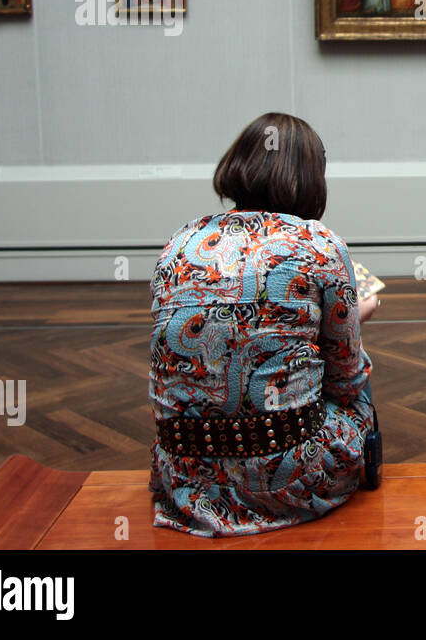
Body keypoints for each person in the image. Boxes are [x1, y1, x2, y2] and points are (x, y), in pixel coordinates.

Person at [149, 112, 380, 537]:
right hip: (291, 477)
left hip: (183, 479)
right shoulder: (319, 245)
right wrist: (355, 320)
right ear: (312, 176)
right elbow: (346, 380)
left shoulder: (178, 243)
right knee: (358, 382)